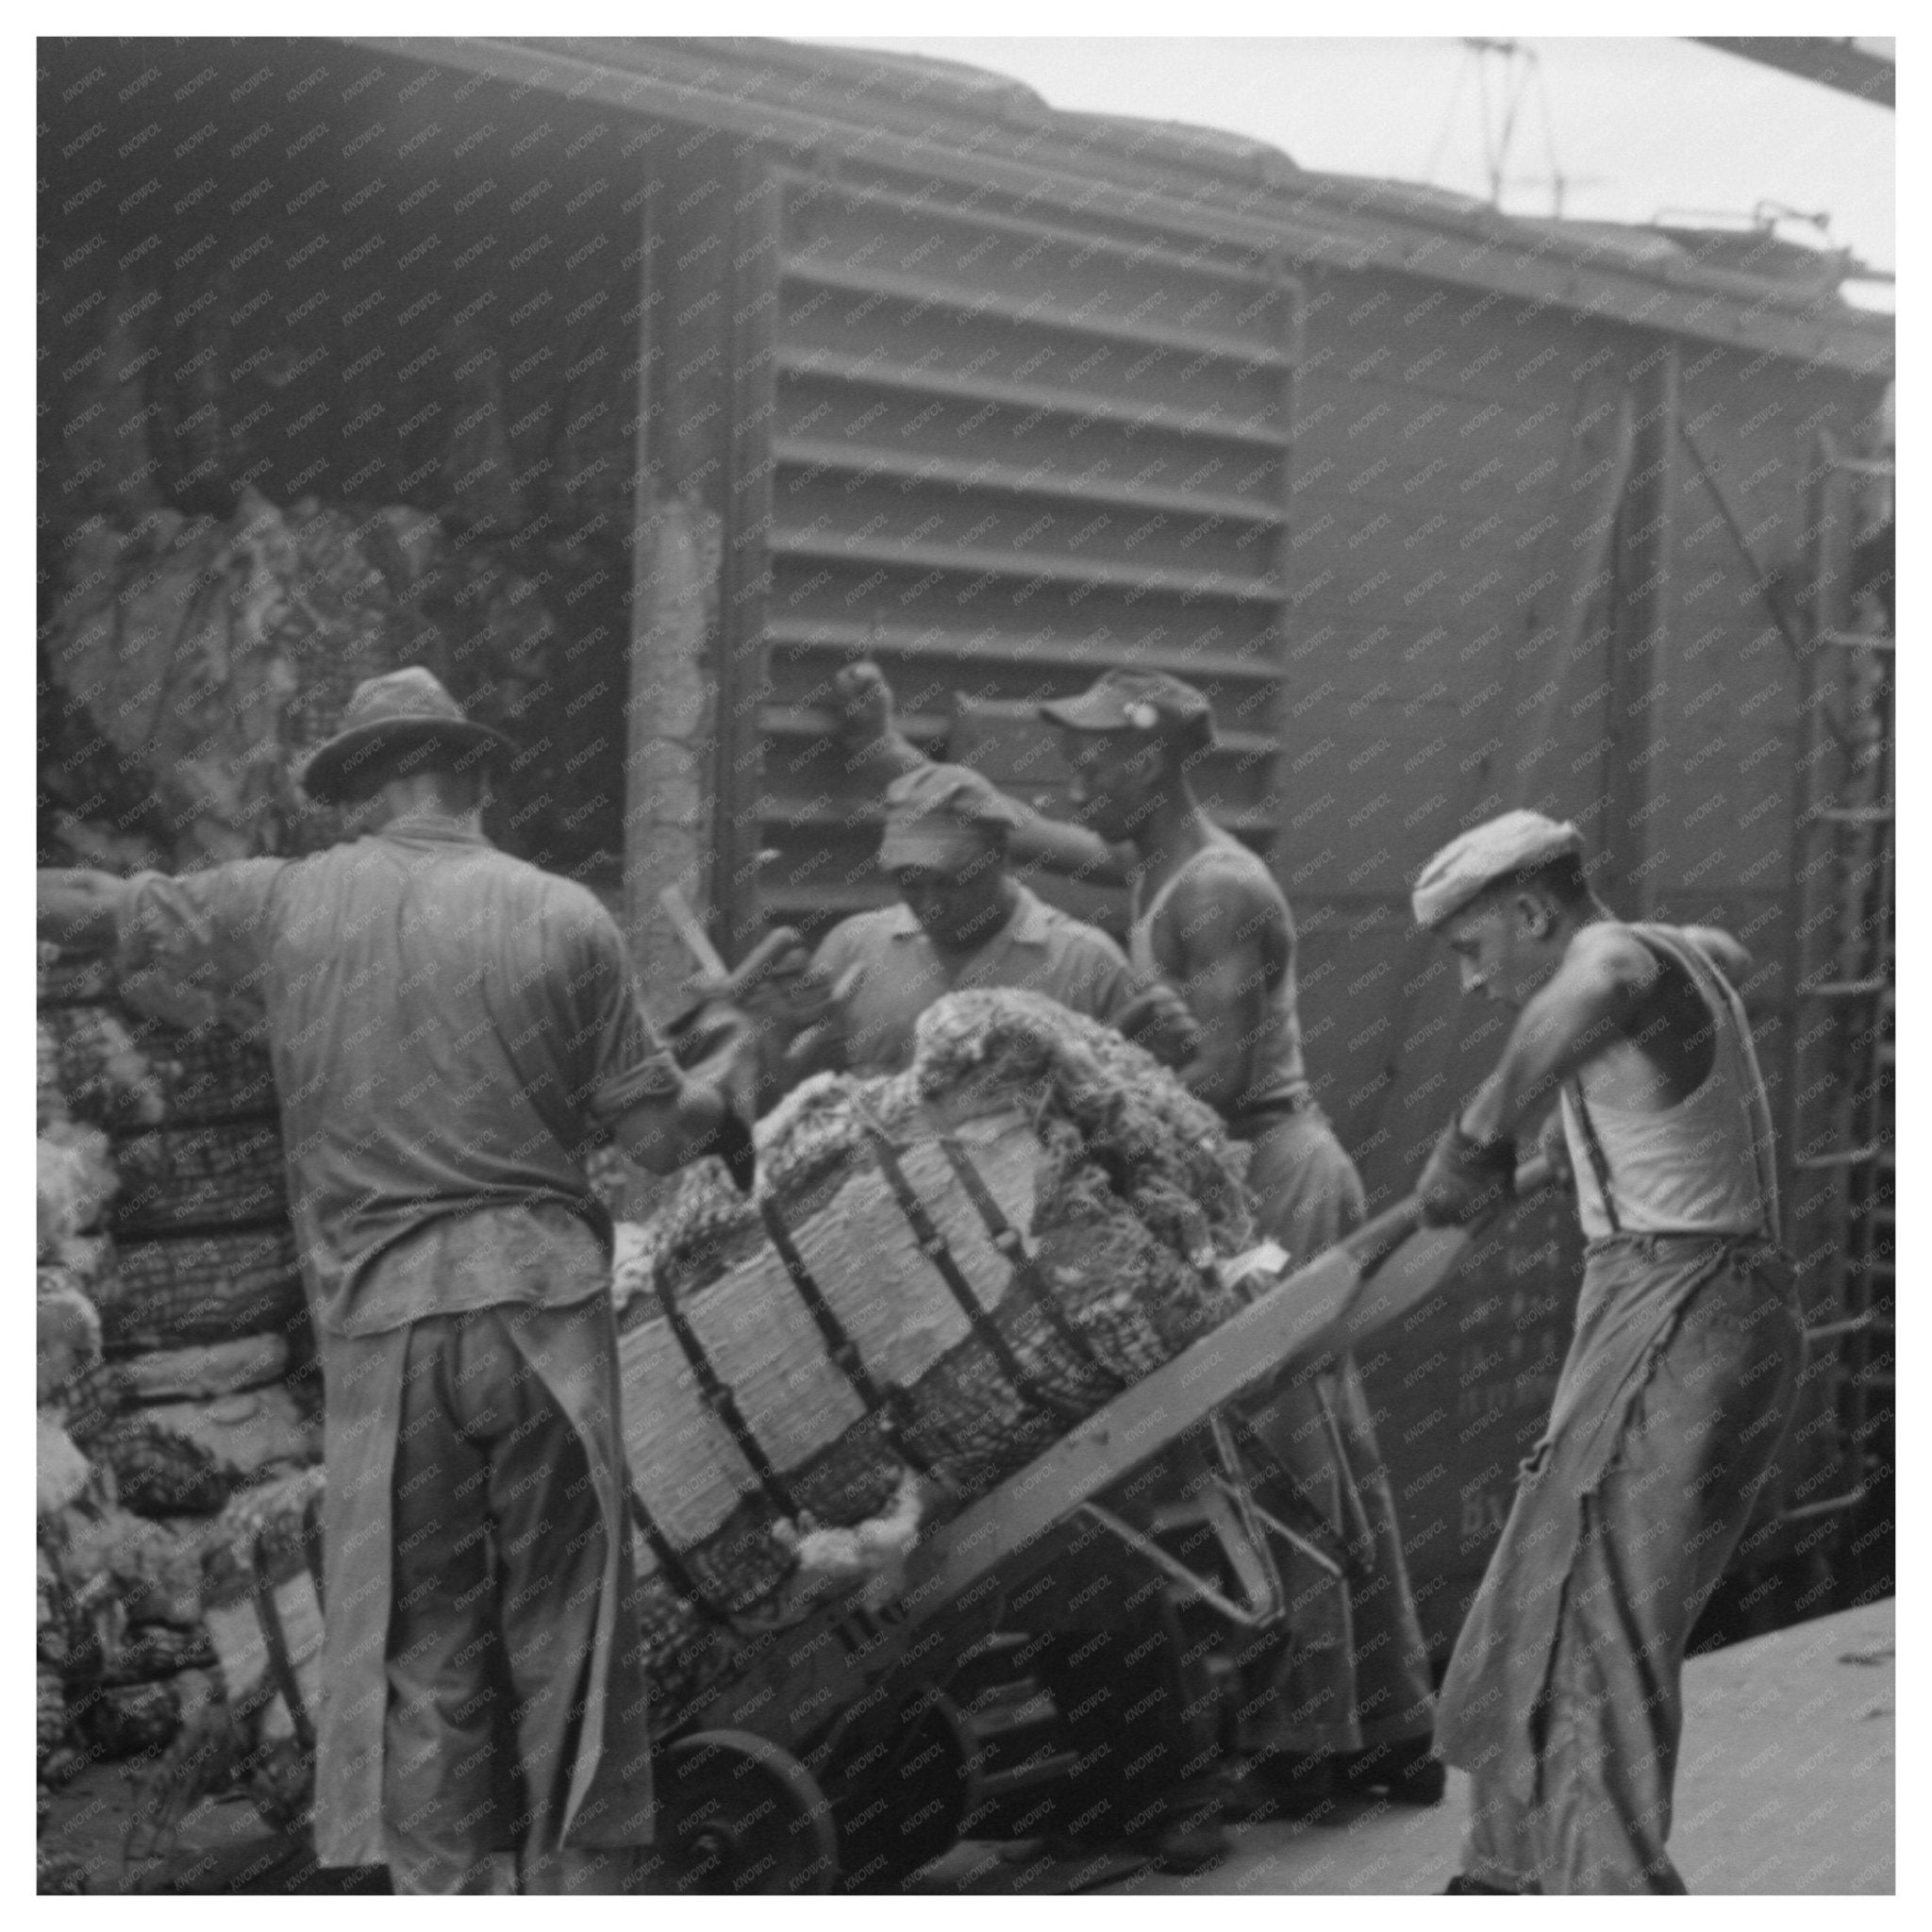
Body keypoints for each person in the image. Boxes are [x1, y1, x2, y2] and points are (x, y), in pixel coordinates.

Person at [37, 667, 756, 1895]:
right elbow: (649, 1135)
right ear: (473, 776)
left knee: (424, 1649)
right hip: (542, 1315)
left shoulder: (286, 904)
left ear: (362, 791)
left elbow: (101, 907)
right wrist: (725, 1098)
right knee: (568, 1633)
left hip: (385, 1326)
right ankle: (585, 1901)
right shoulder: (564, 917)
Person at [835, 664, 1440, 1813]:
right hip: (1240, 1171)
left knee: (1290, 1464)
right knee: (1318, 1453)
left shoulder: (1213, 890)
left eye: (1094, 756)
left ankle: (1317, 1741)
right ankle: (1388, 1722)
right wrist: (881, 756)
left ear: (1151, 762)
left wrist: (1075, 1091)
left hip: (1265, 1169)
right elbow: (1013, 832)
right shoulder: (1151, 860)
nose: (1074, 776)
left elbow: (1213, 1077)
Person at [1408, 808, 1804, 1894]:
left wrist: (1477, 1135)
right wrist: (1564, 1142)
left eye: (1472, 950)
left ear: (1532, 910)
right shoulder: (1682, 953)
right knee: (1545, 1592)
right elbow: (1714, 964)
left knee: (1593, 1632)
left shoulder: (1610, 961)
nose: (1471, 983)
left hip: (1677, 1302)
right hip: (1685, 1300)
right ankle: (1504, 1875)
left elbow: (1600, 979)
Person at [803, 761, 1142, 1076]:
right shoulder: (851, 950)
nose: (930, 904)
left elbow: (1142, 1109)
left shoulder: (1086, 966)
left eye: (951, 882)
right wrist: (779, 1039)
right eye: (910, 883)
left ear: (1000, 856)